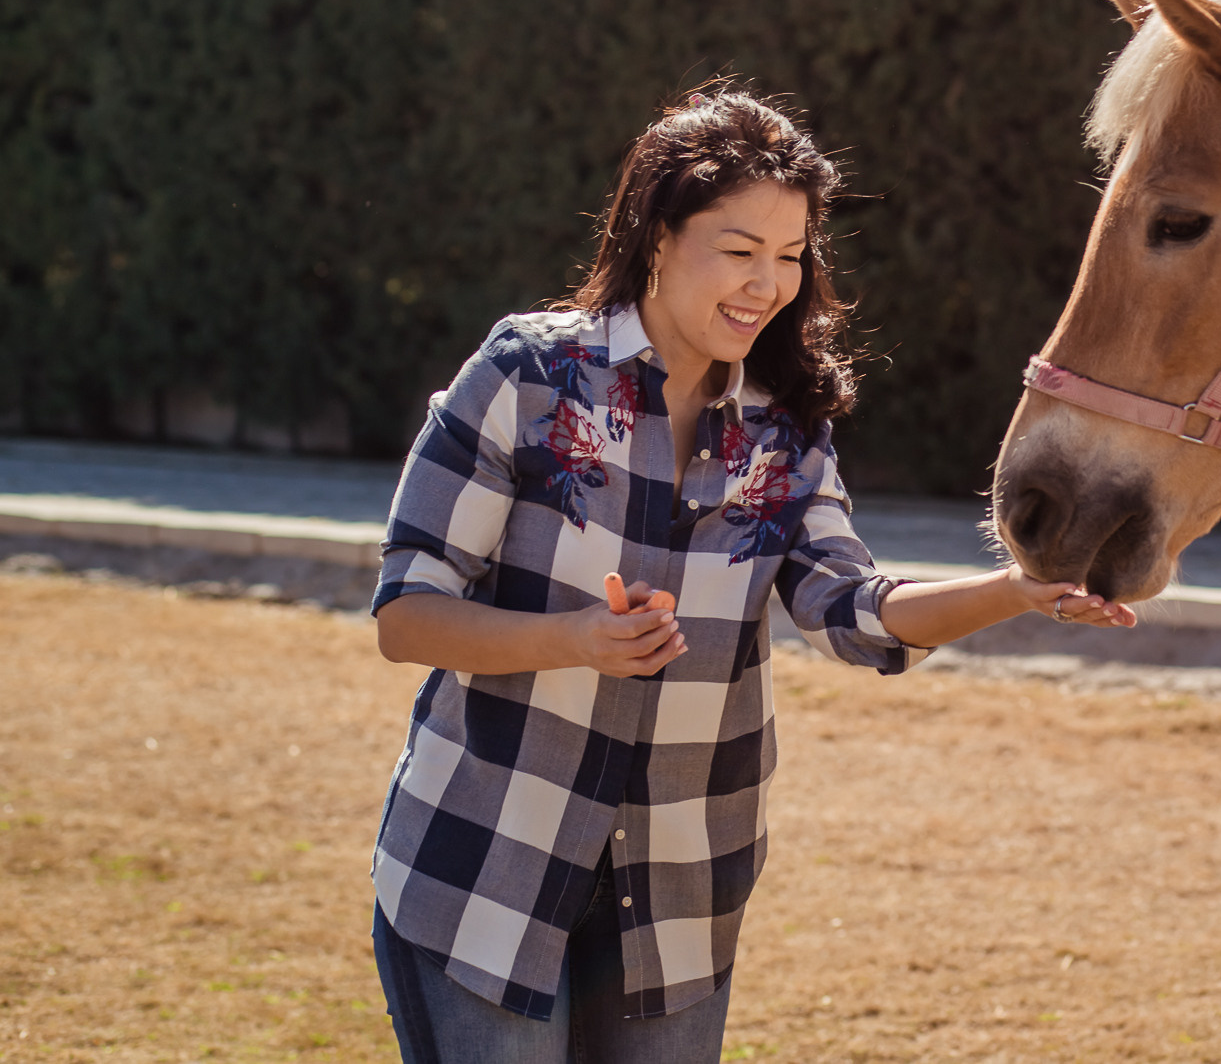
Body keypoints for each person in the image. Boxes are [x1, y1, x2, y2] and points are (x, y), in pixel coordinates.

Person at [367, 85, 1133, 1062]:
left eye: (789, 255)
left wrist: (1015, 590)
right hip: (484, 877)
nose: (767, 283)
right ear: (654, 237)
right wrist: (571, 640)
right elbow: (408, 612)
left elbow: (853, 612)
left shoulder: (783, 429)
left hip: (678, 898)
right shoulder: (526, 377)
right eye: (738, 251)